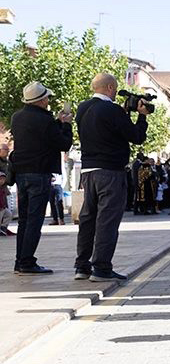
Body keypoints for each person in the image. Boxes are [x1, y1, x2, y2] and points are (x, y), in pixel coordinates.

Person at [74, 73, 149, 281]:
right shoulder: (112, 109)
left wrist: (123, 113)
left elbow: (103, 130)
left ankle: (82, 266)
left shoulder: (83, 108)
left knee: (87, 219)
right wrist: (142, 116)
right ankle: (101, 268)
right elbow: (136, 136)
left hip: (88, 171)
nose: (116, 93)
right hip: (110, 172)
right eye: (115, 89)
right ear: (108, 88)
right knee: (107, 220)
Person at [10, 81, 73, 274]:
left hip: (21, 174)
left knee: (24, 220)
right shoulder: (45, 121)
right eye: (46, 98)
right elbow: (63, 144)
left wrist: (56, 123)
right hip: (39, 174)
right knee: (35, 221)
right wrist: (66, 125)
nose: (48, 101)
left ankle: (20, 260)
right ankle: (27, 262)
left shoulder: (16, 117)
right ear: (41, 100)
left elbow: (36, 135)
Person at [0, 172, 14, 237]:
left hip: (3, 207)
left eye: (3, 179)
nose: (2, 181)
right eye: (0, 179)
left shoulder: (3, 188)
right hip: (0, 207)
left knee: (9, 214)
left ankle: (3, 227)